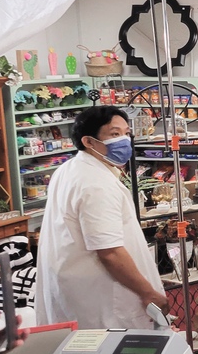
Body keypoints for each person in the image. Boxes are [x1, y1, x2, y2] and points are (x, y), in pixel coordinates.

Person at [36, 107, 168, 329]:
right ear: (89, 141)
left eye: (126, 133)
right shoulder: (95, 184)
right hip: (104, 299)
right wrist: (148, 293)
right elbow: (110, 252)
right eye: (114, 134)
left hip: (77, 290)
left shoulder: (70, 169)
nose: (124, 141)